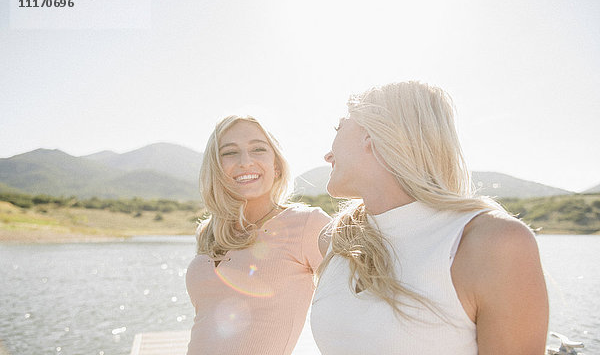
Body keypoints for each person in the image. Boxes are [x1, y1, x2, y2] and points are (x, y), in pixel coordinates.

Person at [310, 82, 549, 354]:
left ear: (372, 135)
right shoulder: (336, 239)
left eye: (339, 128)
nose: (327, 155)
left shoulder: (490, 243)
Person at [186, 115, 331, 355]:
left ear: (276, 166)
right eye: (229, 153)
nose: (245, 162)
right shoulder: (208, 232)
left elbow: (359, 299)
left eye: (258, 149)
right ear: (216, 167)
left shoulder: (307, 224)